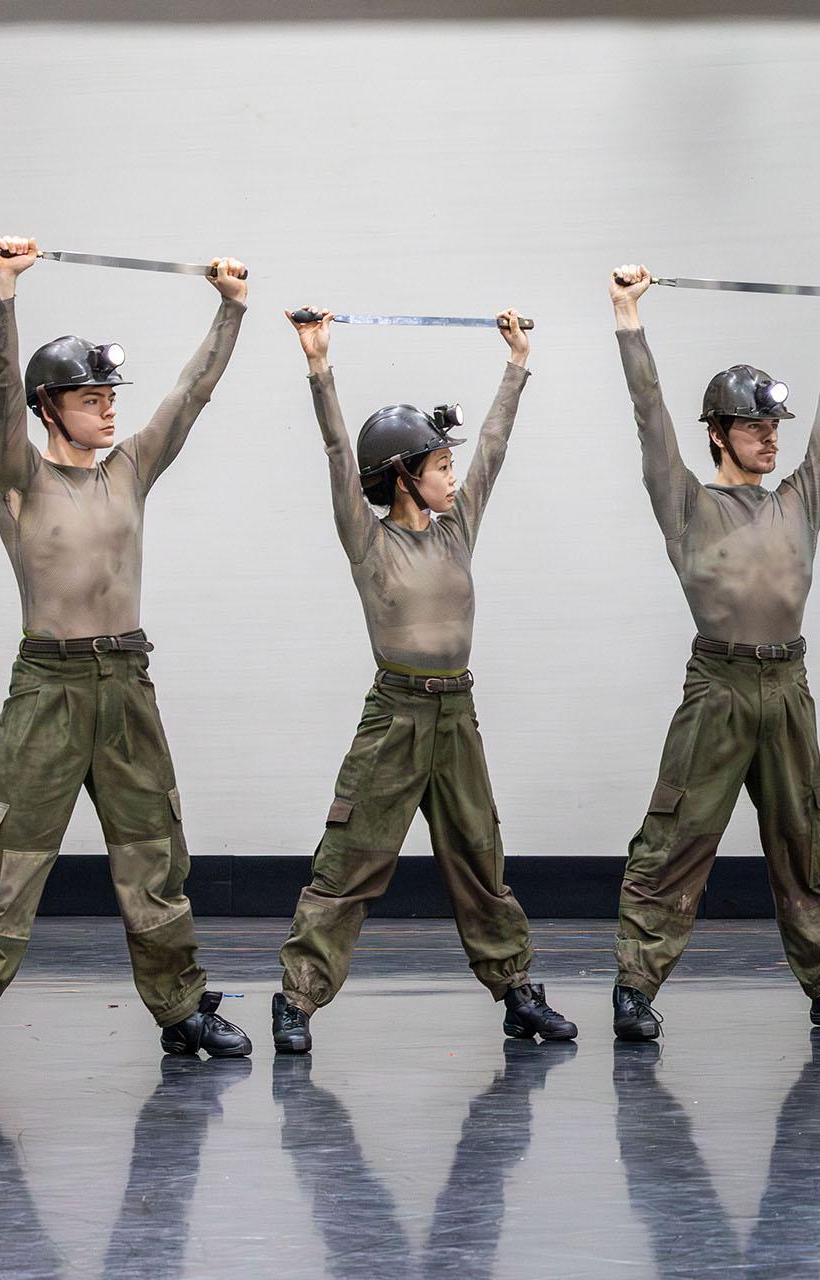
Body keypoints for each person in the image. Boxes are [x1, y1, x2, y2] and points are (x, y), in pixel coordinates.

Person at [0, 235, 252, 1070]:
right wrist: (1, 288)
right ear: (49, 407)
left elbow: (191, 395)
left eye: (111, 394)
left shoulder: (130, 471)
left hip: (127, 680)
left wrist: (231, 308)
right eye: (88, 396)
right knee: (7, 856)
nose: (108, 408)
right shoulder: (20, 473)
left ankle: (181, 1009)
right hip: (50, 684)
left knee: (154, 853)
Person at [272, 306, 576, 1054]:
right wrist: (319, 365)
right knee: (349, 864)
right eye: (441, 465)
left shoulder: (459, 525)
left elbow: (496, 448)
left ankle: (517, 992)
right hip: (396, 719)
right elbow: (339, 453)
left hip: (456, 717)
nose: (454, 475)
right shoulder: (368, 539)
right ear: (403, 477)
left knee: (481, 862)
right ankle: (296, 1000)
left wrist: (517, 365)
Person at [605, 263, 820, 1041]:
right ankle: (636, 983)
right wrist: (629, 319)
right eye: (755, 427)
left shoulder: (801, 499)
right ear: (718, 434)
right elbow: (648, 416)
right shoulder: (688, 504)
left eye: (775, 428)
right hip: (720, 690)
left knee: (805, 841)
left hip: (788, 686)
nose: (771, 438)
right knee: (679, 837)